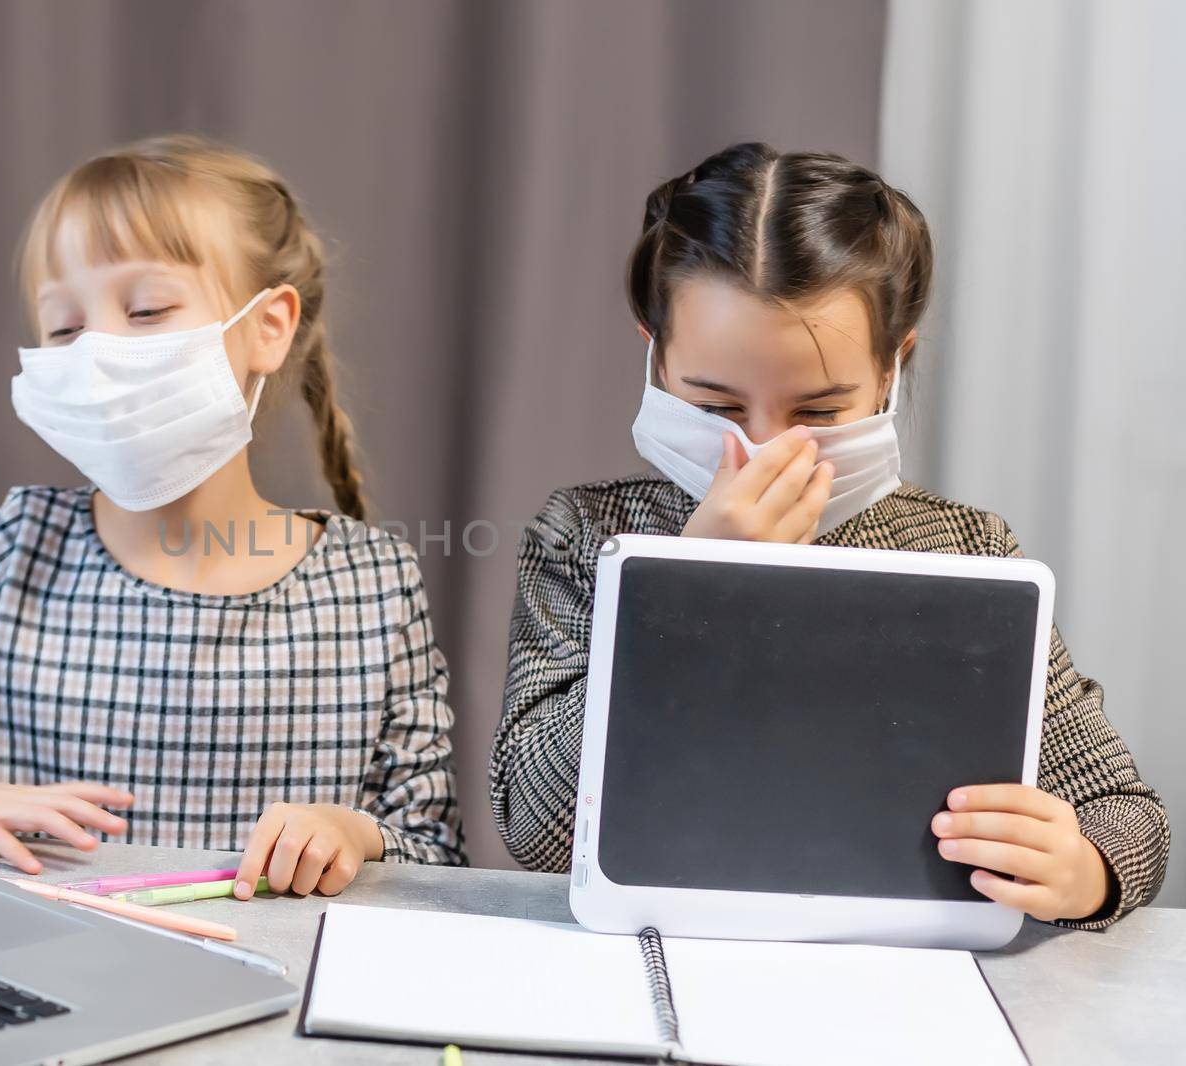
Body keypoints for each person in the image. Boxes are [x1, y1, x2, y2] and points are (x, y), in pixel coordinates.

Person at [492, 142, 1167, 927]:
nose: (767, 448)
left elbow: (1128, 814)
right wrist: (686, 594)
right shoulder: (586, 533)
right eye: (716, 407)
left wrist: (1084, 869)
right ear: (656, 356)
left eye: (816, 411)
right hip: (658, 954)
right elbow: (533, 830)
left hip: (900, 983)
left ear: (889, 369)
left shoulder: (966, 551)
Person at [0, 135, 465, 899]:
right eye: (64, 329)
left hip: (277, 1003)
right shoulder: (9, 557)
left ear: (268, 327)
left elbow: (434, 854)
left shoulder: (373, 585)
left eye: (146, 310)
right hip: (51, 989)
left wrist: (357, 836)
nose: (98, 354)